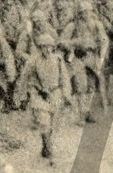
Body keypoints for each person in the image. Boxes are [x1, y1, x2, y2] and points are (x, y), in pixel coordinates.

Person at [16, 31, 71, 161]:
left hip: (55, 93)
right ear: (40, 47)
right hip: (38, 94)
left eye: (49, 46)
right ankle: (49, 149)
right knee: (44, 122)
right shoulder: (33, 61)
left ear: (52, 47)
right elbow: (24, 78)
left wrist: (66, 94)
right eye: (43, 46)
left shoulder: (58, 60)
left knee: (52, 124)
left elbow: (64, 78)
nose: (46, 49)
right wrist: (22, 96)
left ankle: (45, 145)